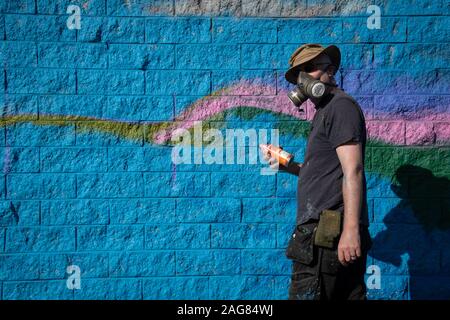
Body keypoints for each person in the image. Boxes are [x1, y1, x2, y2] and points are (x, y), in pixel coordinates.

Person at [262, 44, 372, 300]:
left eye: (309, 69)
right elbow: (328, 175)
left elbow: (353, 170)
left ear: (330, 71)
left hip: (328, 235)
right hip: (320, 236)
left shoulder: (340, 107)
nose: (302, 79)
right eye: (300, 72)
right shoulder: (326, 111)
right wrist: (291, 167)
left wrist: (351, 230)